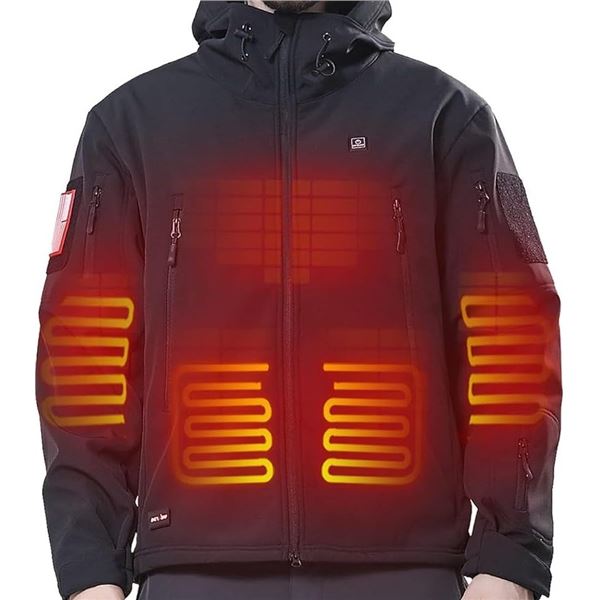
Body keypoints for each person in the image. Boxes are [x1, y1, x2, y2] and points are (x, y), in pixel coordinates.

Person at [34, 1, 562, 599]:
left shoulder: (445, 117)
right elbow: (85, 350)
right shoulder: (131, 124)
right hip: (195, 571)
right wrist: (89, 570)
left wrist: (509, 559)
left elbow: (510, 331)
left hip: (404, 568)